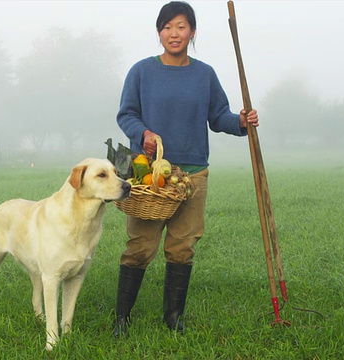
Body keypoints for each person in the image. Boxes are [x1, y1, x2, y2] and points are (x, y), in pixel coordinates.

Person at [113, 1, 259, 337]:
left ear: (192, 32)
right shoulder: (141, 71)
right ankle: (122, 318)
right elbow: (126, 115)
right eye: (167, 27)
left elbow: (218, 116)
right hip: (149, 176)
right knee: (140, 246)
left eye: (181, 26)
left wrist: (240, 121)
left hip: (192, 174)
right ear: (159, 32)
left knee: (182, 246)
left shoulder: (204, 74)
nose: (173, 33)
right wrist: (143, 134)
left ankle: (173, 318)